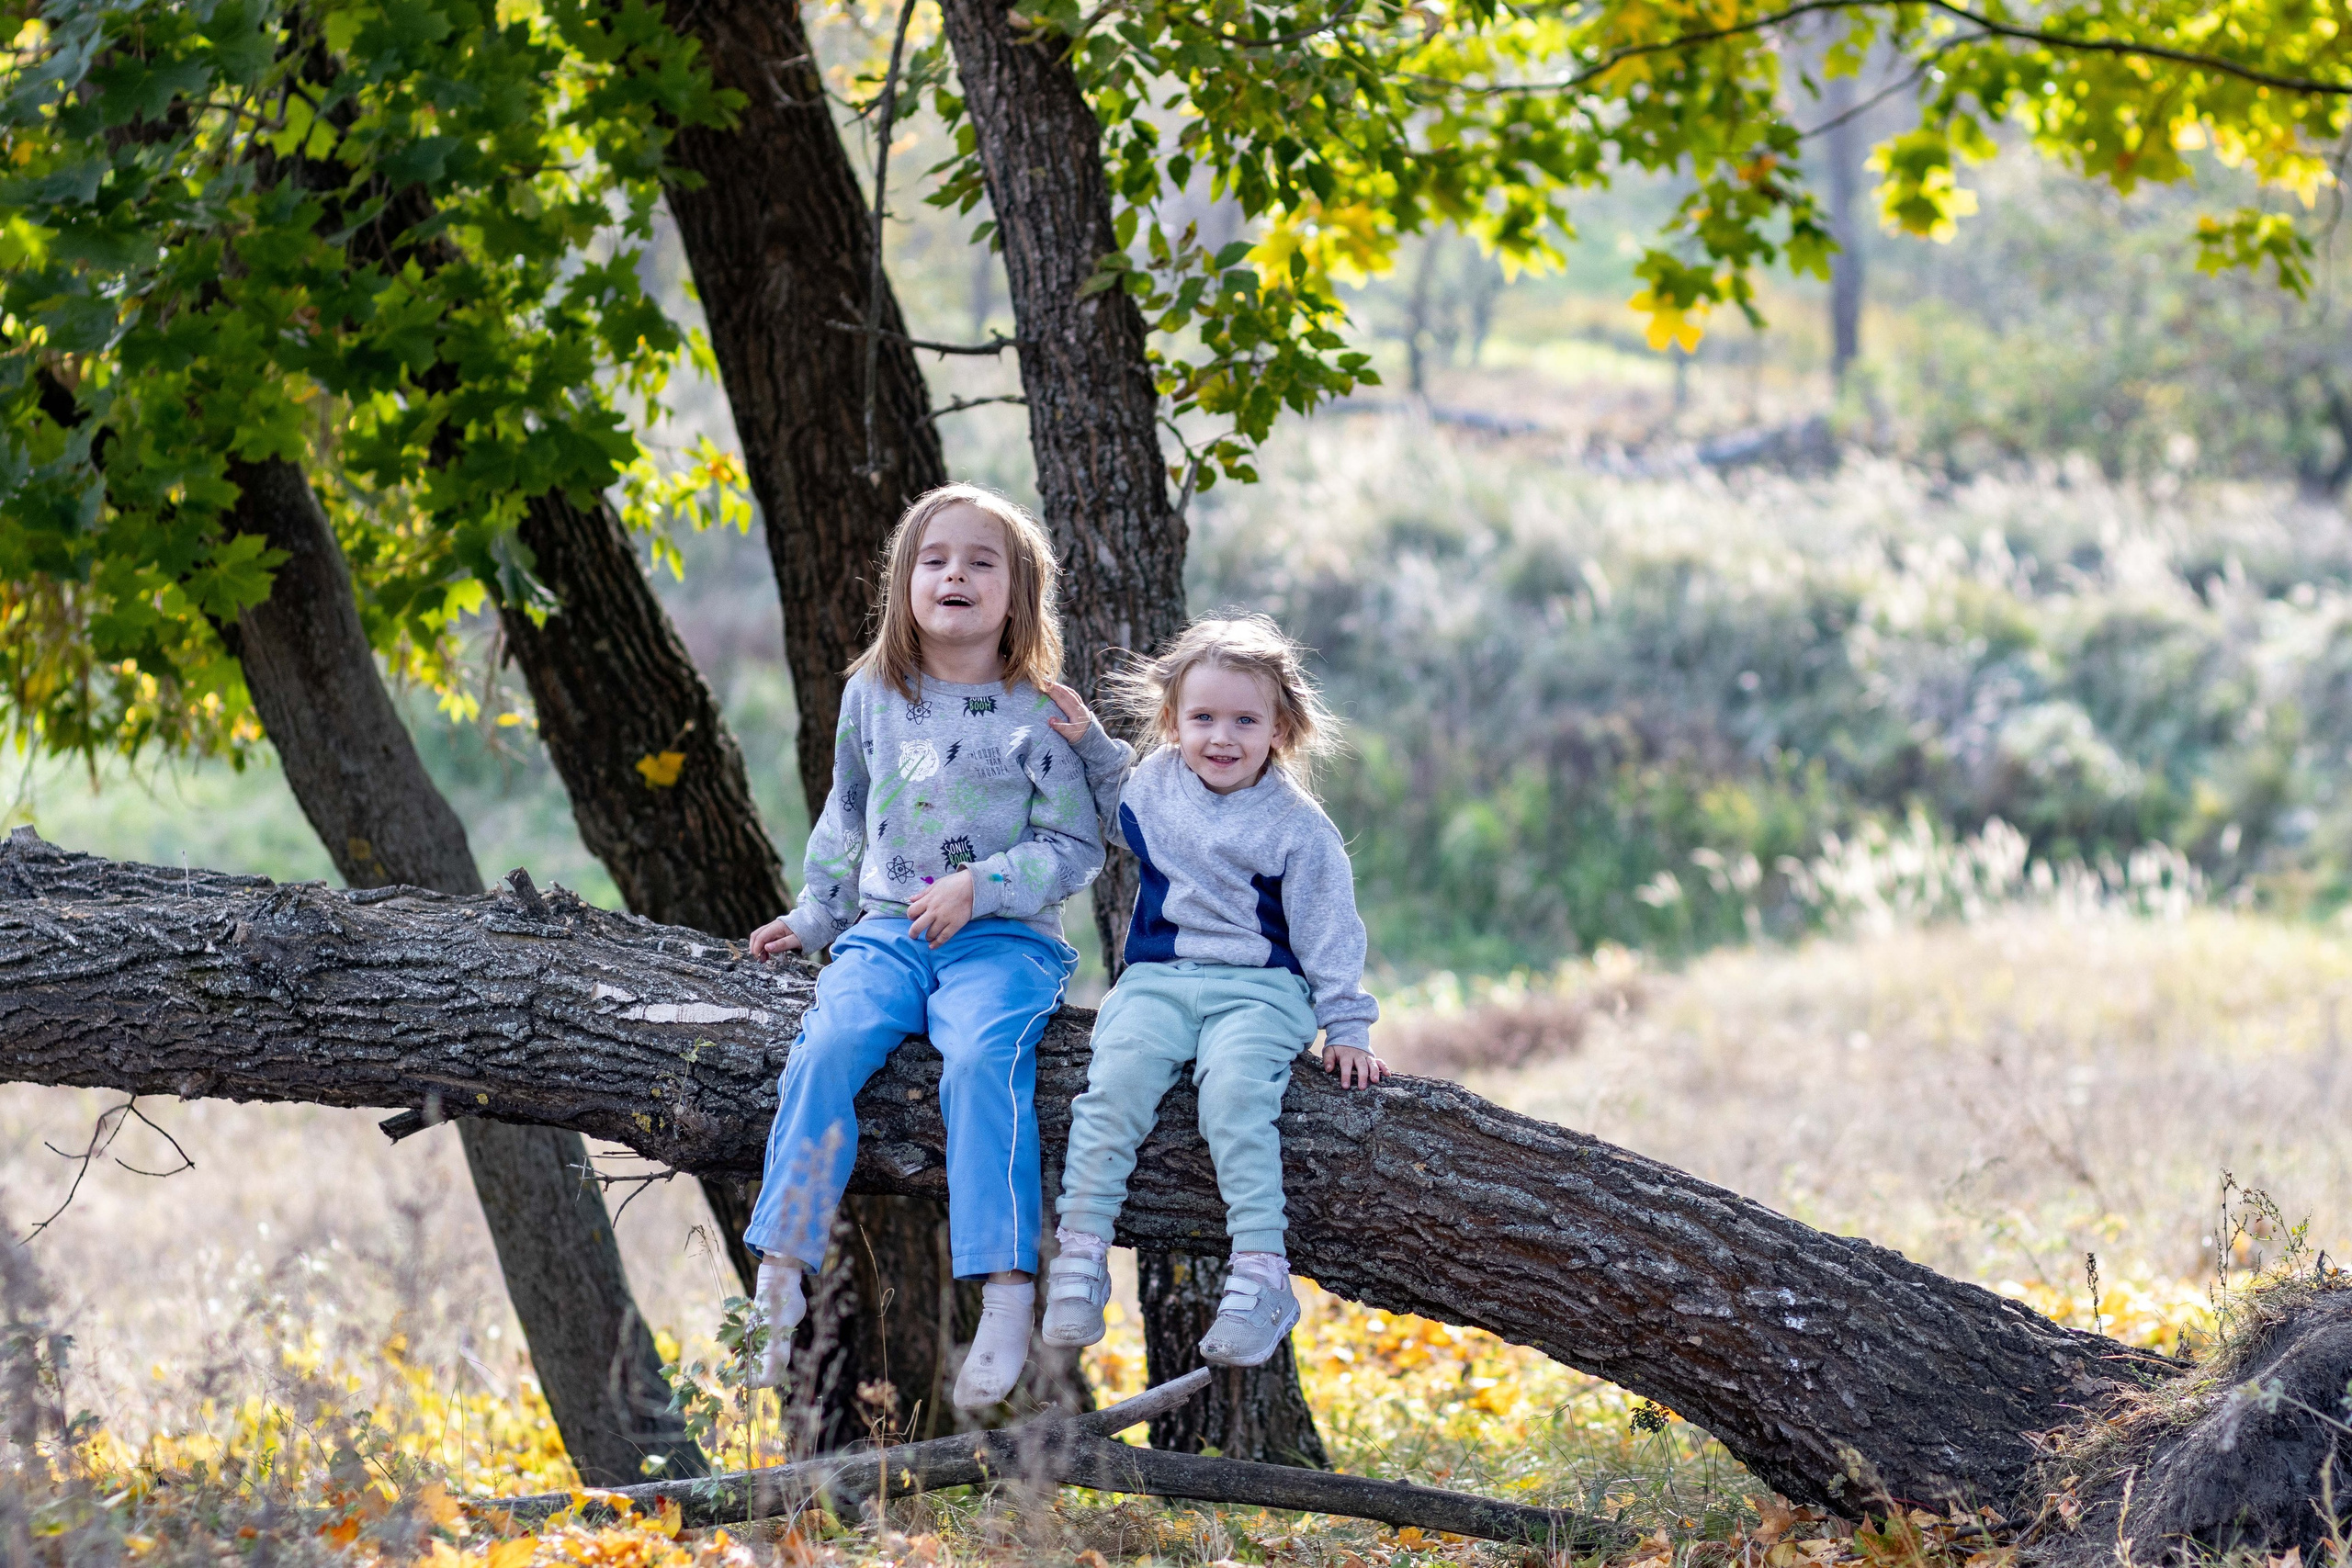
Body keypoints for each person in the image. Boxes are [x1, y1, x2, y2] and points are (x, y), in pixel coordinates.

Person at [741, 482, 1108, 1407]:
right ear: (904, 585)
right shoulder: (875, 694)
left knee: (982, 1061)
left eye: (982, 562)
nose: (956, 575)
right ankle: (779, 1277)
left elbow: (1075, 846)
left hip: (1003, 947)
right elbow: (847, 809)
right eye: (936, 560)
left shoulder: (1040, 713)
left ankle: (1005, 1292)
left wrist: (980, 886)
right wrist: (819, 914)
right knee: (825, 1045)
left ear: (1018, 595)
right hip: (885, 935)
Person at [1039, 614, 1384, 1368]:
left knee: (1232, 1098)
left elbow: (1330, 934)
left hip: (1259, 994)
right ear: (1171, 722)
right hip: (1158, 983)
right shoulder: (1157, 784)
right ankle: (1081, 1249)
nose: (1220, 737)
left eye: (1244, 720)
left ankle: (1262, 1271)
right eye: (1201, 718)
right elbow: (1114, 799)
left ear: (1280, 728)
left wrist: (1348, 1026)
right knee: (1112, 1086)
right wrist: (1089, 740)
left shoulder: (1298, 828)